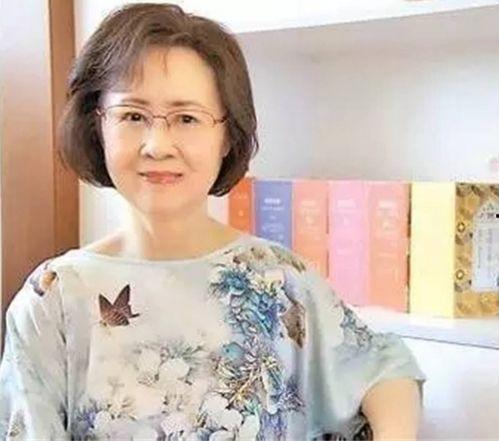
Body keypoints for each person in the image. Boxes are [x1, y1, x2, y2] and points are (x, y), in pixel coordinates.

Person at [0, 3, 425, 440]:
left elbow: (386, 369)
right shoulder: (54, 298)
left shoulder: (278, 281)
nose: (157, 145)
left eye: (187, 118)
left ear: (227, 135)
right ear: (97, 126)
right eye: (133, 116)